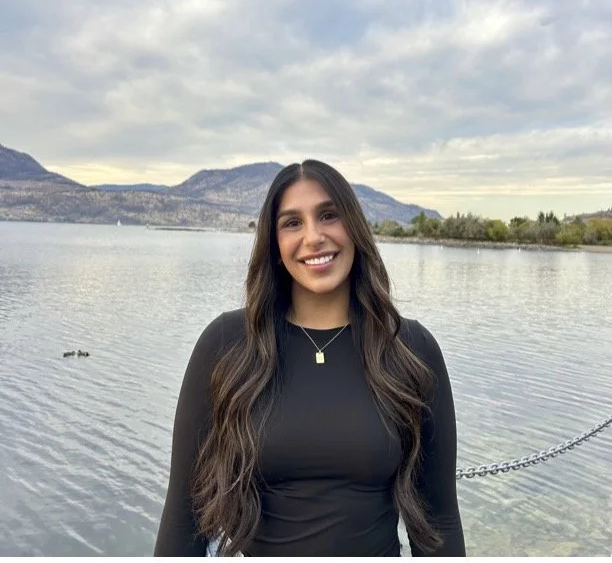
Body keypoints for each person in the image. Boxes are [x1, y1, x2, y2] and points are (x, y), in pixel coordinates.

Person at [154, 159, 465, 557]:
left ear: (354, 227)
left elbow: (440, 520)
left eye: (328, 215)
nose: (314, 237)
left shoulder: (410, 349)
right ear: (275, 245)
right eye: (292, 223)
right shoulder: (227, 345)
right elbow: (185, 519)